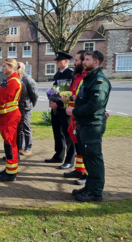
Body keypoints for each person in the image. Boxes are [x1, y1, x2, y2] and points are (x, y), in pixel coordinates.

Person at [66, 50, 111, 202]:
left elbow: (95, 104)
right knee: (87, 158)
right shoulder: (89, 78)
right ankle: (89, 187)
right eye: (83, 59)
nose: (83, 62)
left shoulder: (99, 80)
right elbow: (84, 98)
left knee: (93, 158)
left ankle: (96, 192)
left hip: (92, 125)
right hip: (85, 124)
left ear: (96, 62)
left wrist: (74, 111)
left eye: (87, 60)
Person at [0, 58, 23, 182]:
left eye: (4, 66)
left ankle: (11, 173)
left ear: (11, 67)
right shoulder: (8, 80)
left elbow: (3, 97)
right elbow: (0, 96)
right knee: (8, 143)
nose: (2, 68)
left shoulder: (13, 81)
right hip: (6, 115)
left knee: (10, 144)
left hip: (10, 116)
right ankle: (9, 169)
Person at [46, 52, 75, 170]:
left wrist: (58, 103)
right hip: (56, 108)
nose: (57, 62)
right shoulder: (57, 74)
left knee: (69, 136)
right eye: (56, 60)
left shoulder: (71, 74)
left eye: (59, 60)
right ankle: (58, 155)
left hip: (65, 109)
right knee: (57, 133)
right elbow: (55, 90)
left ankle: (70, 160)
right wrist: (52, 101)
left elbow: (70, 91)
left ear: (67, 61)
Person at [63, 50, 88, 184]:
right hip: (73, 116)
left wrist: (71, 97)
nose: (75, 62)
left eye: (77, 60)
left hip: (80, 115)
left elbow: (85, 97)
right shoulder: (77, 76)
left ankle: (85, 173)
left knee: (83, 145)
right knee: (77, 143)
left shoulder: (86, 77)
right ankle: (79, 169)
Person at [17, 62, 38, 156]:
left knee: (26, 127)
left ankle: (28, 147)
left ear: (22, 68)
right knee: (19, 128)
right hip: (18, 107)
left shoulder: (28, 80)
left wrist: (31, 105)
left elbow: (35, 95)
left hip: (26, 107)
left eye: (18, 67)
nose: (16, 69)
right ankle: (21, 146)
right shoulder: (17, 79)